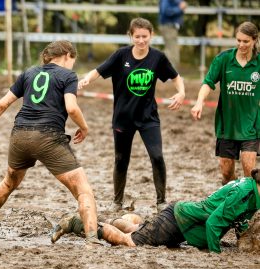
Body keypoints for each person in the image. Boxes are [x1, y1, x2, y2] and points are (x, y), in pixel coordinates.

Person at [0, 40, 100, 244]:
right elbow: (72, 108)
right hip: (48, 137)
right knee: (83, 190)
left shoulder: (29, 73)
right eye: (73, 59)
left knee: (8, 183)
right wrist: (84, 127)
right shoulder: (68, 76)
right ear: (67, 55)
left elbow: (3, 103)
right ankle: (92, 239)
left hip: (19, 135)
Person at [78, 17, 185, 213]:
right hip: (123, 118)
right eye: (137, 37)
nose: (141, 41)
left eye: (145, 36)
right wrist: (85, 80)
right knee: (121, 159)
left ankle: (161, 201)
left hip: (148, 118)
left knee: (157, 156)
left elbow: (176, 77)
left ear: (151, 36)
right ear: (131, 36)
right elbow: (98, 71)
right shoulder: (121, 55)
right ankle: (117, 202)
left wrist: (181, 92)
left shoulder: (157, 58)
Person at [51, 168, 260, 254]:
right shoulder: (245, 193)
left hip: (183, 223)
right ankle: (76, 223)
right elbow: (214, 223)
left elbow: (240, 219)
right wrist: (216, 253)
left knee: (139, 228)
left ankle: (122, 219)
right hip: (178, 221)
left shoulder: (250, 190)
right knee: (129, 241)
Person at [191, 21, 260, 185]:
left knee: (249, 173)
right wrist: (199, 102)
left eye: (246, 41)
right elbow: (208, 83)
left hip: (251, 126)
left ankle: (248, 207)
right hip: (226, 126)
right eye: (238, 40)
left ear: (255, 40)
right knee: (227, 173)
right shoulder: (223, 59)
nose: (241, 44)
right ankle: (234, 190)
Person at [159, 0, 187, 68]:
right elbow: (166, 11)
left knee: (172, 52)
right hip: (168, 27)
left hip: (171, 28)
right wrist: (180, 8)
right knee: (172, 52)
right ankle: (170, 75)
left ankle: (170, 75)